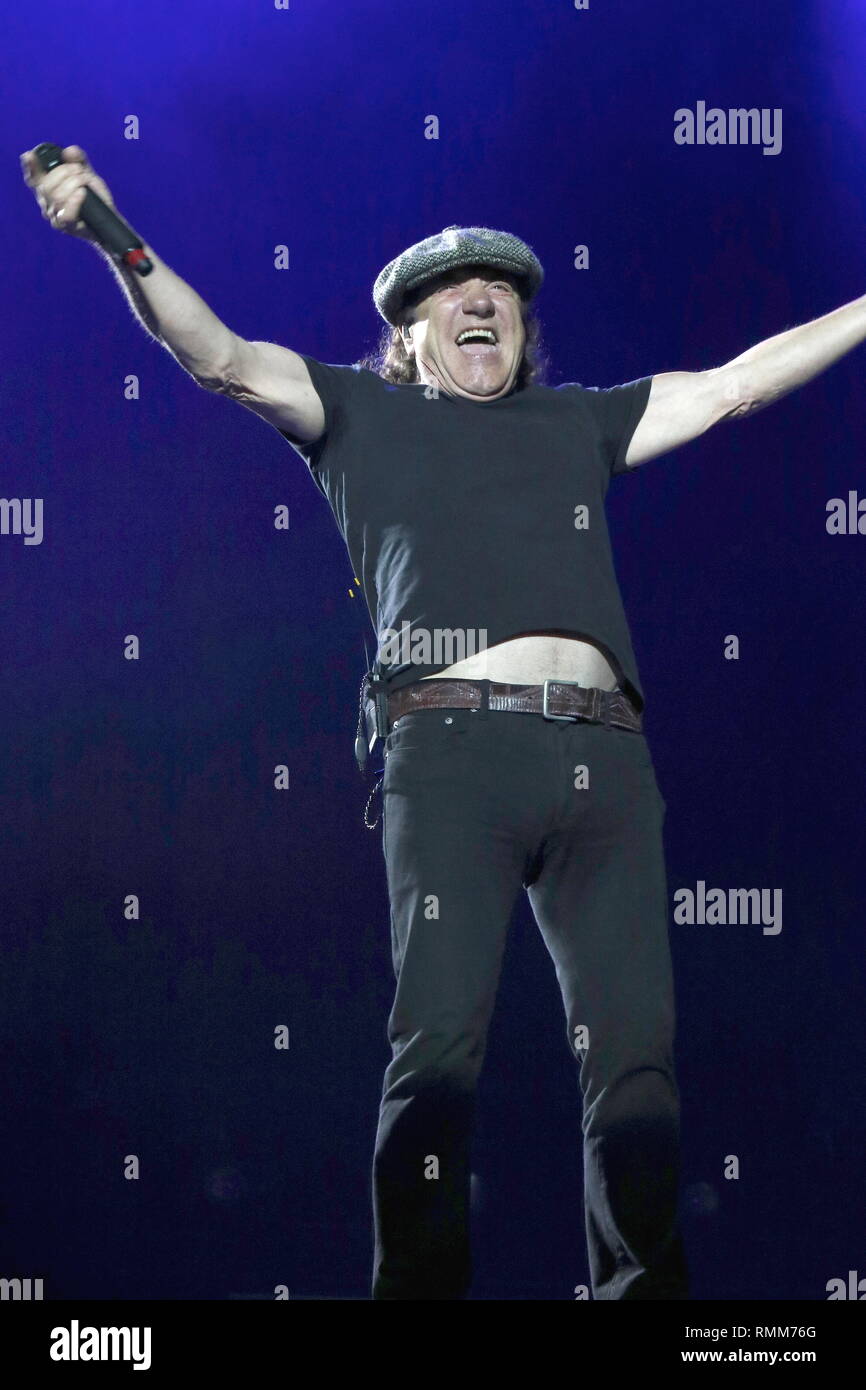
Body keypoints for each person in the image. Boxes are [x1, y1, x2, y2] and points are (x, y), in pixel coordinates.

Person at [23, 145, 866, 1300]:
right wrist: (112, 234)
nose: (482, 301)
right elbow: (218, 357)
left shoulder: (577, 422)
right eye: (453, 294)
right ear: (409, 335)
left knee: (635, 1062)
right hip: (450, 756)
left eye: (502, 293)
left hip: (605, 762)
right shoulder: (358, 414)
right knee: (437, 1053)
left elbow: (733, 384)